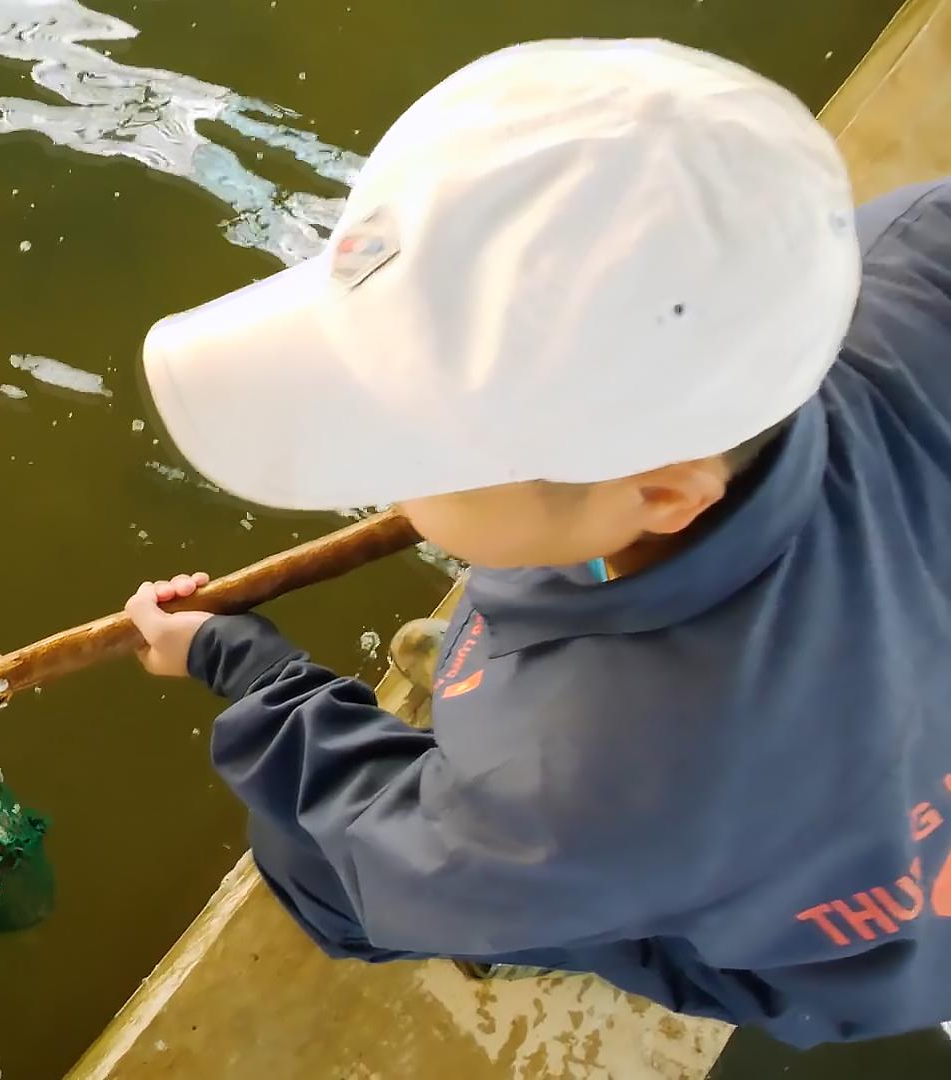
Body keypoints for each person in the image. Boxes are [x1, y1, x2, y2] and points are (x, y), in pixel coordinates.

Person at [121, 37, 951, 1047]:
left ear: (663, 493)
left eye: (423, 446)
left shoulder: (575, 773)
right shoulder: (920, 248)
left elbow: (392, 854)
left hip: (858, 958)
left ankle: (555, 914)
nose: (385, 474)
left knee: (318, 869)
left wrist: (243, 666)